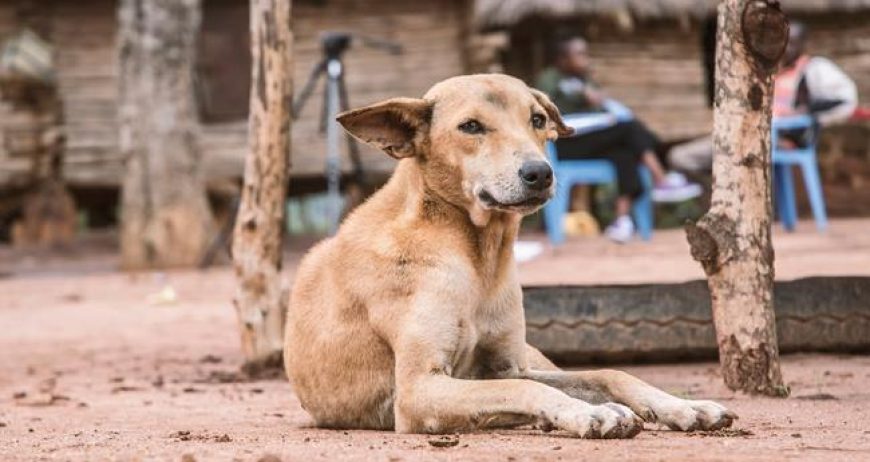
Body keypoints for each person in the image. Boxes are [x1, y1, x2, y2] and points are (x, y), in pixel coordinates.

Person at [536, 36, 702, 243]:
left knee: (625, 153)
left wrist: (598, 102)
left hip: (591, 142)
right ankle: (661, 179)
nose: (586, 59)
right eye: (579, 54)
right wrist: (582, 95)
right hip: (564, 145)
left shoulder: (586, 79)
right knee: (629, 128)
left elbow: (600, 107)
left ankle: (622, 220)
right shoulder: (550, 79)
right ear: (563, 59)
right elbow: (544, 111)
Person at [670, 21, 858, 172]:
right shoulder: (771, 72)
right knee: (680, 156)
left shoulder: (815, 68)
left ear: (803, 44)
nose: (787, 47)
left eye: (793, 42)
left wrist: (806, 111)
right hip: (749, 133)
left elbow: (845, 100)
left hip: (783, 138)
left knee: (732, 155)